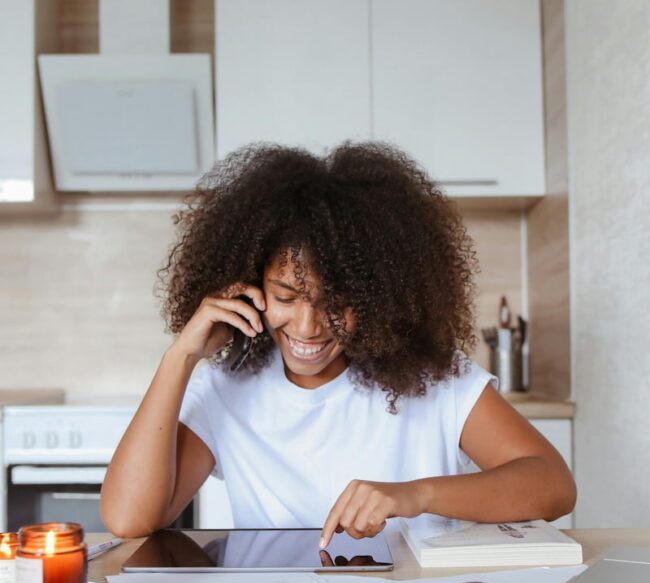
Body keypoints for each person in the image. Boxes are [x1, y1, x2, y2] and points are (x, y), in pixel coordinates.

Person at [100, 142, 576, 546]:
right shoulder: (225, 388)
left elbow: (553, 485)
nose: (307, 327)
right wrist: (180, 356)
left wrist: (413, 495)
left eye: (336, 303)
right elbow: (129, 520)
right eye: (285, 297)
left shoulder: (434, 378)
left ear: (377, 296)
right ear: (250, 286)